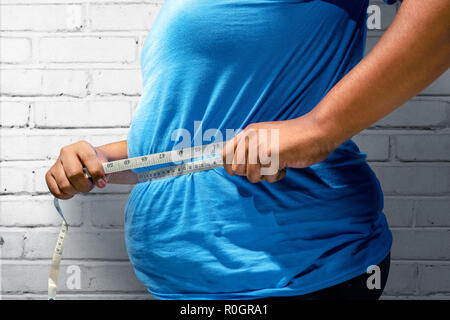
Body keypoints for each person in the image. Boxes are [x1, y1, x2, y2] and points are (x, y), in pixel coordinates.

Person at [45, 0, 450, 300]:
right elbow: (189, 142)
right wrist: (102, 161)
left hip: (293, 272)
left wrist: (319, 129)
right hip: (183, 288)